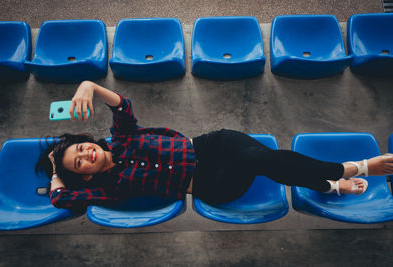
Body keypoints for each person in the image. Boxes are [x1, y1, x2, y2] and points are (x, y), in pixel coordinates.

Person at [36, 81, 393, 210]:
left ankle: (329, 184)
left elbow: (122, 106)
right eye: (78, 163)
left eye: (81, 149)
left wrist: (89, 86)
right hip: (210, 184)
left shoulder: (122, 138)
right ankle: (354, 168)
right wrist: (55, 171)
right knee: (258, 158)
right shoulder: (108, 189)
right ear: (83, 177)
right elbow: (61, 198)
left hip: (211, 145)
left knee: (261, 156)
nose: (86, 155)